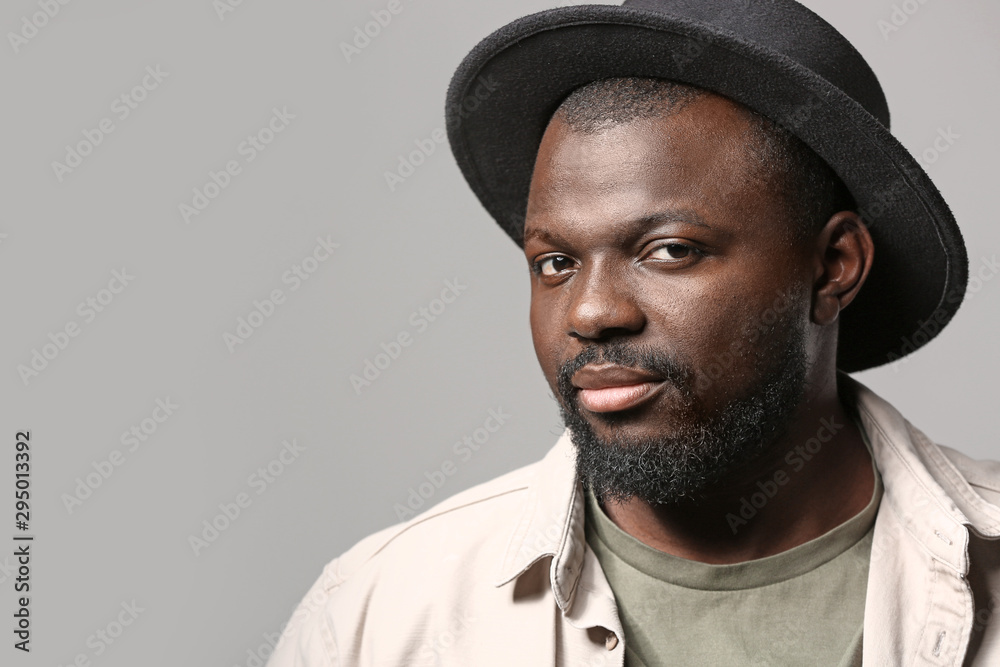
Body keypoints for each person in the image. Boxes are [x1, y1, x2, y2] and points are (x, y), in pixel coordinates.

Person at [268, 1, 1000, 664]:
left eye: (670, 251)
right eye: (555, 261)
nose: (589, 314)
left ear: (834, 266)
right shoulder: (380, 615)